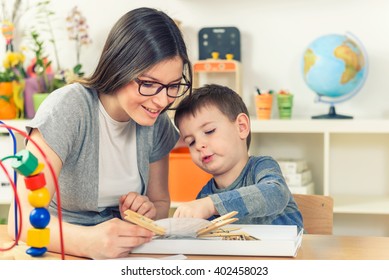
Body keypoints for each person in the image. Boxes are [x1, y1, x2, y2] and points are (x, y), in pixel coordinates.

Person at [7, 7, 192, 259]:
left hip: (124, 257)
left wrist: (145, 213)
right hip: (59, 253)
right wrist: (86, 242)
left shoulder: (156, 122)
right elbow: (20, 218)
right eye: (149, 84)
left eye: (173, 86)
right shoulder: (70, 108)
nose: (162, 101)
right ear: (119, 67)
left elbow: (160, 205)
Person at [172, 84, 303, 230]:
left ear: (241, 127)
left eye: (209, 131)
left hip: (289, 251)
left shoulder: (261, 167)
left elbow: (276, 194)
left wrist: (212, 205)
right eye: (191, 141)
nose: (199, 145)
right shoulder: (204, 196)